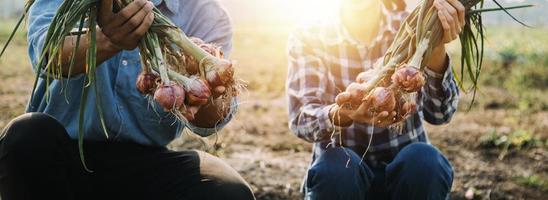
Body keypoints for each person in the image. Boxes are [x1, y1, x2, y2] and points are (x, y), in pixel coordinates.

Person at [0, 0, 255, 199]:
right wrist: (109, 39)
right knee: (25, 137)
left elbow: (212, 120)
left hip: (146, 163)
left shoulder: (207, 13)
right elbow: (47, 55)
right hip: (60, 155)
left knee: (226, 191)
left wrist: (207, 88)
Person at [287, 0, 464, 199]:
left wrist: (435, 49)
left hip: (408, 180)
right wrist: (342, 114)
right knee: (336, 168)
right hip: (342, 184)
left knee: (425, 161)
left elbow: (441, 114)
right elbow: (302, 119)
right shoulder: (310, 35)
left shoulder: (413, 25)